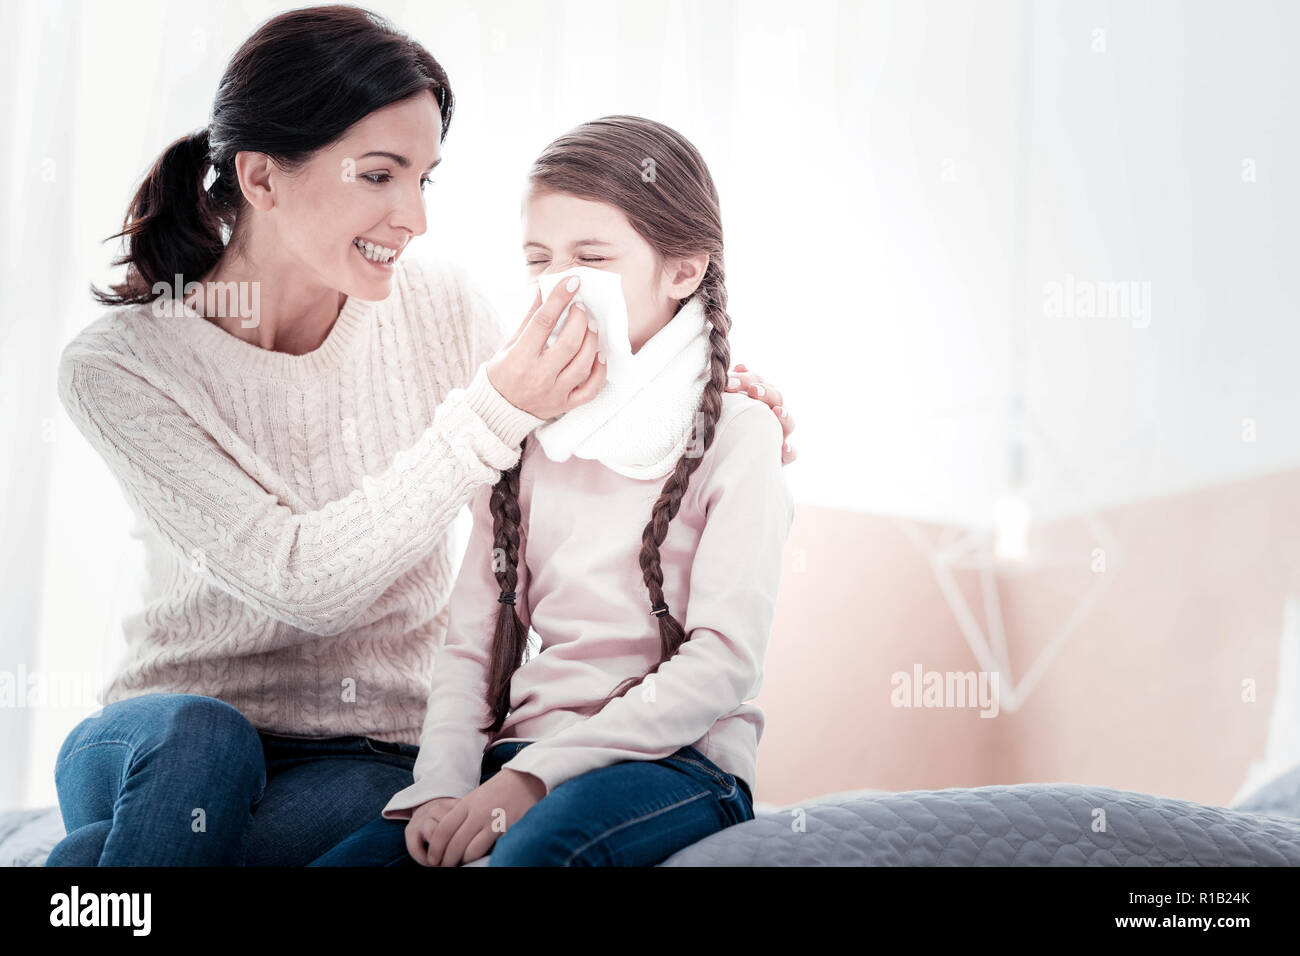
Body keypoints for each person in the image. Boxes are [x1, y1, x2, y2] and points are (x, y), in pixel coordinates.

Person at [47, 5, 794, 867]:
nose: (415, 218)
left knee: (113, 864)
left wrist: (711, 393)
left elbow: (594, 403)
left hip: (361, 751)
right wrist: (493, 409)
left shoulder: (444, 309)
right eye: (378, 175)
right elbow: (300, 579)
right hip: (162, 735)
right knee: (201, 739)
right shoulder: (121, 367)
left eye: (425, 179)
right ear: (260, 177)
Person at [310, 115, 794, 867]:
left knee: (533, 857)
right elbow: (469, 650)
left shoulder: (738, 432)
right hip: (518, 754)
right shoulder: (526, 433)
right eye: (540, 260)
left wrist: (535, 781)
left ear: (683, 269)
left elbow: (722, 663)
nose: (560, 284)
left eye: (592, 256)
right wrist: (440, 786)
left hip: (676, 764)